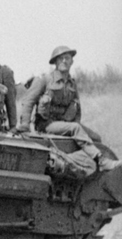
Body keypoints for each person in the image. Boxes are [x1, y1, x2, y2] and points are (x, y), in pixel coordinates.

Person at [16, 46, 120, 175]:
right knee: (76, 128)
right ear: (55, 62)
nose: (64, 61)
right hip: (46, 124)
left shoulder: (71, 84)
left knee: (96, 138)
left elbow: (77, 109)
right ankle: (102, 161)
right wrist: (25, 125)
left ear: (72, 61)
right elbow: (28, 101)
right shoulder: (44, 80)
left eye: (67, 58)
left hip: (64, 124)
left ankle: (77, 163)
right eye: (60, 59)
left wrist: (74, 125)